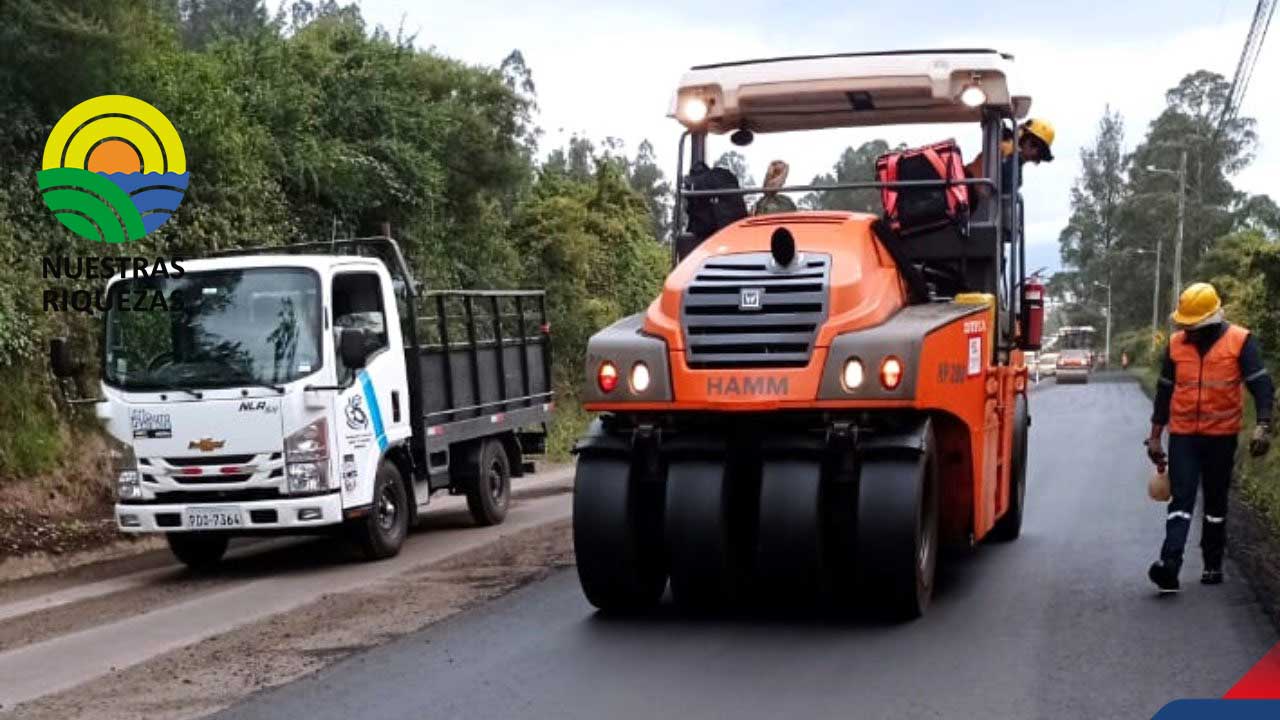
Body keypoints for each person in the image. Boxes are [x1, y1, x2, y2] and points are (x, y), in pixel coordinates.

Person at [1144, 282, 1274, 592]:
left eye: (1194, 326)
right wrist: (1154, 437)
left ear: (1211, 320)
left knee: (1215, 503)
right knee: (1182, 497)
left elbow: (1261, 385)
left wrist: (1263, 425)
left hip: (1221, 437)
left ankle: (1212, 565)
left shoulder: (1239, 341)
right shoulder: (1176, 345)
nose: (1188, 332)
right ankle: (1170, 565)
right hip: (1184, 436)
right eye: (1185, 326)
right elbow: (1164, 392)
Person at [963, 118, 1055, 192]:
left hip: (972, 200)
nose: (1034, 152)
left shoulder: (1012, 158)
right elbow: (1007, 187)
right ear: (1022, 137)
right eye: (1033, 144)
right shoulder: (1008, 153)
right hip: (966, 194)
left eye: (1040, 151)